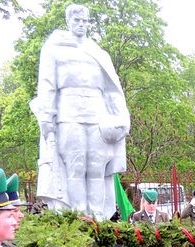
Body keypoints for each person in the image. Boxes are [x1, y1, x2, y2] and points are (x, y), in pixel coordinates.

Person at [31, 3, 130, 220]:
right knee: (75, 167)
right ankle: (77, 218)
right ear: (68, 21)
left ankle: (98, 220)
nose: (81, 25)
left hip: (97, 116)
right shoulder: (54, 48)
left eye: (85, 21)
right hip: (68, 114)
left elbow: (112, 89)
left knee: (97, 168)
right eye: (77, 20)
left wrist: (122, 117)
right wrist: (47, 119)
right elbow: (47, 85)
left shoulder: (98, 52)